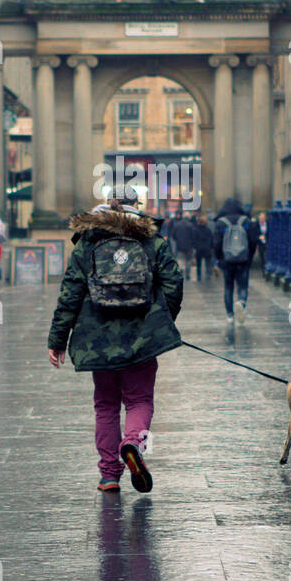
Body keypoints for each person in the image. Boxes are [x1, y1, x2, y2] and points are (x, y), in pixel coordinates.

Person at [46, 187, 184, 494]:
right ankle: (133, 442)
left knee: (106, 404)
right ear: (136, 208)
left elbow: (69, 295)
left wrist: (57, 339)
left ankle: (109, 474)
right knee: (140, 400)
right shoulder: (152, 241)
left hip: (98, 341)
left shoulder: (87, 244)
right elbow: (174, 284)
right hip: (142, 339)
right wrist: (160, 321)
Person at [212, 197, 262, 325]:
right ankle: (241, 302)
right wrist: (249, 256)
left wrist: (219, 258)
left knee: (228, 287)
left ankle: (230, 315)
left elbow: (216, 244)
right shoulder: (246, 221)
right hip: (243, 259)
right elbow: (253, 241)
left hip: (227, 260)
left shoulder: (220, 223)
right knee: (243, 286)